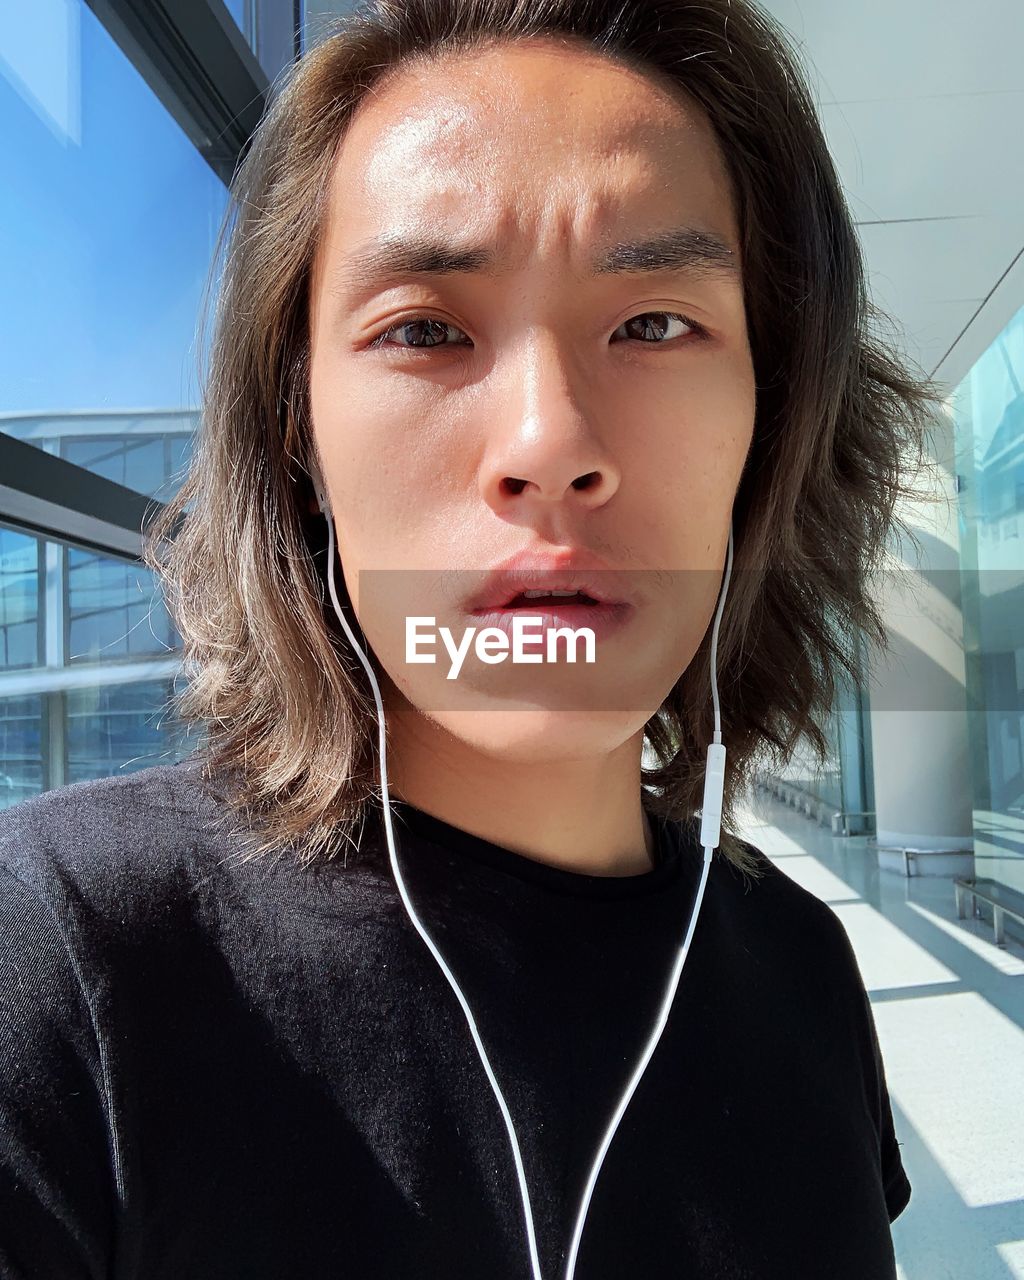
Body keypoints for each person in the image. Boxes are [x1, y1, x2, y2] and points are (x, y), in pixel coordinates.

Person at [0, 0, 945, 1276]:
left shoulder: (799, 969)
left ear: (767, 424)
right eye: (426, 329)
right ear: (299, 433)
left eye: (655, 324)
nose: (548, 445)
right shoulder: (60, 954)